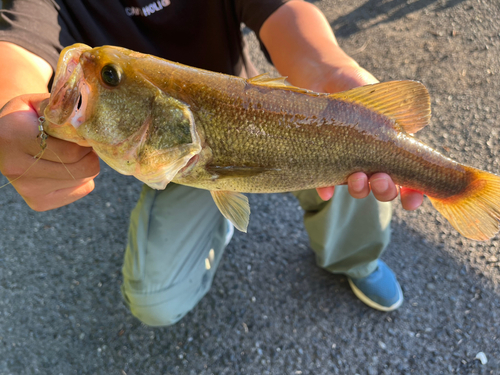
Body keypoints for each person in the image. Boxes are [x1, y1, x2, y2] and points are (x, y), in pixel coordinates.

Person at [0, 0, 424, 326]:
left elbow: (284, 12)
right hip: (181, 156)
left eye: (108, 74)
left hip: (273, 120)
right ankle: (213, 209)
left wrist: (333, 72)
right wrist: (12, 113)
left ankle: (357, 258)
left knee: (363, 166)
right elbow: (17, 47)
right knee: (155, 300)